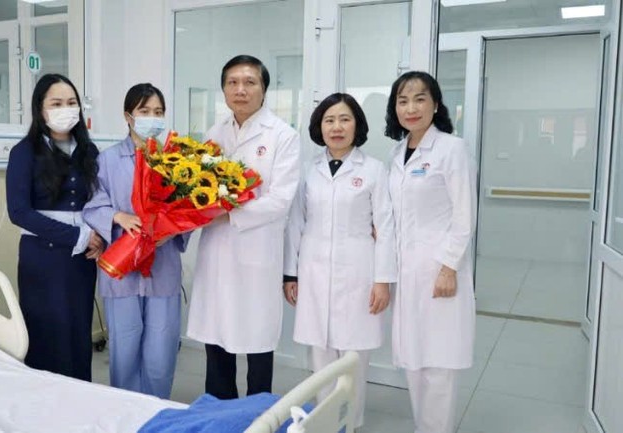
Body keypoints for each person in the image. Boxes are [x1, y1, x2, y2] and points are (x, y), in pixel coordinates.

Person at [186, 54, 301, 399]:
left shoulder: (283, 136)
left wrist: (228, 215)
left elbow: (280, 200)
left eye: (250, 82)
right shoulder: (214, 133)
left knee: (256, 340)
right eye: (233, 83)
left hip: (256, 252)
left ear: (264, 89)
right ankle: (220, 409)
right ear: (223, 89)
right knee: (217, 338)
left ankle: (257, 413)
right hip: (217, 251)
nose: (241, 90)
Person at [283, 92, 396, 428]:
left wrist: (383, 280)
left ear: (356, 125)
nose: (336, 127)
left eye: (344, 119)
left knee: (353, 356)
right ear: (319, 127)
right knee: (320, 353)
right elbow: (295, 224)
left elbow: (386, 228)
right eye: (329, 120)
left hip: (359, 269)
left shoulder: (374, 170)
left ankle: (350, 423)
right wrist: (290, 274)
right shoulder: (309, 170)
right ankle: (325, 423)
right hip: (314, 268)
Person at [385, 71, 477, 433]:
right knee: (414, 356)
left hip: (439, 268)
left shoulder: (452, 149)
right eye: (403, 101)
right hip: (407, 270)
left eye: (420, 99)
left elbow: (464, 215)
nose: (411, 108)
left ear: (435, 104)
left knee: (439, 361)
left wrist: (449, 267)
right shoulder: (397, 153)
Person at [82, 83, 187, 399]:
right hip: (122, 268)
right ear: (128, 116)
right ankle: (125, 410)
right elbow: (93, 205)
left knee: (161, 350)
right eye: (145, 111)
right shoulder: (107, 160)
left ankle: (157, 408)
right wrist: (118, 217)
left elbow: (189, 207)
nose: (152, 118)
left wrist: (173, 228)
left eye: (158, 112)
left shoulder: (175, 162)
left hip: (163, 267)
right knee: (124, 348)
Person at [6, 73, 103, 381]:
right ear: (41, 108)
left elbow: (100, 202)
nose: (66, 109)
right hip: (42, 258)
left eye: (72, 103)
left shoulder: (89, 152)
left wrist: (99, 237)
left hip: (82, 260)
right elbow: (18, 212)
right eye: (57, 103)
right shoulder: (24, 152)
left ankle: (81, 398)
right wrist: (78, 235)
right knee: (47, 335)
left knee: (78, 333)